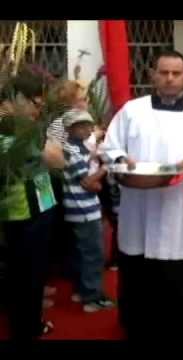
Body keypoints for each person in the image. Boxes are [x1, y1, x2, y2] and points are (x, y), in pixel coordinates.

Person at [101, 50, 183, 339]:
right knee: (138, 277)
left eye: (176, 73)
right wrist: (122, 160)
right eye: (163, 72)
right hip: (139, 208)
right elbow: (110, 147)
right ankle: (139, 328)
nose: (169, 79)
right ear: (152, 75)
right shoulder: (132, 111)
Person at [0, 69, 63, 340]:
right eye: (36, 104)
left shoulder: (24, 126)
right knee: (25, 276)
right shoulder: (12, 128)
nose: (39, 110)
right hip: (21, 213)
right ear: (17, 100)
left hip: (40, 203)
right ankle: (26, 328)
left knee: (30, 274)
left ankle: (30, 319)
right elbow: (56, 159)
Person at [62, 109, 115, 312]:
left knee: (81, 252)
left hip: (83, 207)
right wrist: (106, 168)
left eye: (88, 125)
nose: (87, 129)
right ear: (70, 128)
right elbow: (88, 183)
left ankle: (81, 290)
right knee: (93, 253)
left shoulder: (79, 148)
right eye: (82, 125)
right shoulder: (72, 150)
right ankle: (92, 297)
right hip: (82, 209)